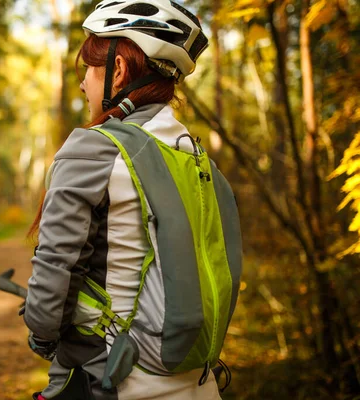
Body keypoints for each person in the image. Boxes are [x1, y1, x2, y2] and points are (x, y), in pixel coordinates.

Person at [23, 1, 243, 399]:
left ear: (118, 70)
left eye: (88, 69)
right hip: (199, 382)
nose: (83, 83)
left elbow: (57, 265)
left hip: (116, 380)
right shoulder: (195, 158)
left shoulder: (94, 150)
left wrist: (41, 334)